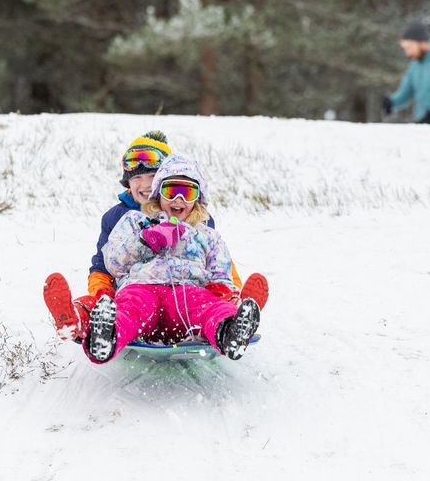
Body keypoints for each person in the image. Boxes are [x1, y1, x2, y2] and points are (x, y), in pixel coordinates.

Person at [43, 133, 268, 342]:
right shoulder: (125, 219)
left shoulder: (201, 223)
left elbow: (220, 267)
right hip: (135, 287)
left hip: (187, 291)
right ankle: (83, 322)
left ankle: (233, 320)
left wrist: (229, 295)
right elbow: (105, 265)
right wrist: (106, 294)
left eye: (152, 176)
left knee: (207, 305)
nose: (144, 183)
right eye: (137, 177)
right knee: (119, 307)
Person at [83, 155, 262, 364]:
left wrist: (226, 298)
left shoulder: (206, 235)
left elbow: (221, 276)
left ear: (198, 199)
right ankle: (107, 338)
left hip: (187, 292)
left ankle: (229, 331)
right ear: (158, 194)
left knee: (206, 307)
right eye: (171, 191)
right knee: (131, 308)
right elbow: (113, 263)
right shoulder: (136, 222)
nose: (179, 199)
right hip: (142, 286)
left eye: (187, 192)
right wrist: (145, 241)